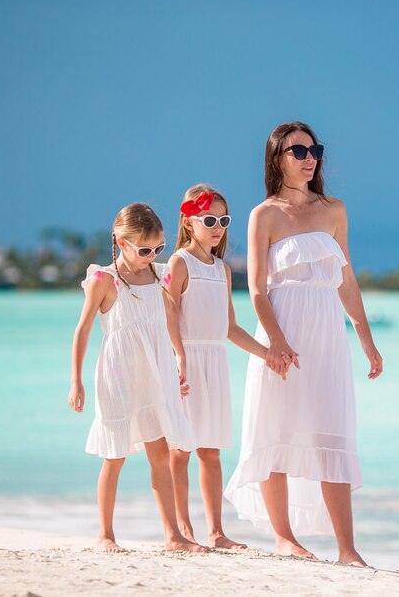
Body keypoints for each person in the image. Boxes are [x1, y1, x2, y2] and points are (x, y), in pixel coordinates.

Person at [224, 122, 383, 566]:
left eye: (314, 149)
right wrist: (276, 341)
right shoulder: (265, 215)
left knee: (332, 431)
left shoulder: (334, 210)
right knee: (274, 427)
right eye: (298, 150)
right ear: (277, 158)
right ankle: (284, 537)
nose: (309, 157)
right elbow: (256, 289)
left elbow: (346, 280)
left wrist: (367, 341)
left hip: (329, 335)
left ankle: (348, 550)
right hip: (281, 328)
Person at [68, 202, 208, 553]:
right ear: (120, 240)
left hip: (154, 374)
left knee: (159, 453)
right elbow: (82, 331)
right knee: (114, 457)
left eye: (158, 248)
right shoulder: (104, 279)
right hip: (118, 376)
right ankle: (105, 535)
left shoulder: (160, 275)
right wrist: (76, 380)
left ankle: (173, 536)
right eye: (144, 249)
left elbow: (166, 324)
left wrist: (179, 360)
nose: (151, 255)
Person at [165, 184, 286, 549]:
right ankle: (182, 529)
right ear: (190, 222)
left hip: (215, 363)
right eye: (209, 219)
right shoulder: (179, 263)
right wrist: (178, 356)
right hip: (186, 361)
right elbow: (168, 311)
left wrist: (267, 354)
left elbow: (230, 327)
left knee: (211, 451)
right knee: (180, 449)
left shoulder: (222, 269)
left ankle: (216, 532)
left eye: (223, 219)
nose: (218, 227)